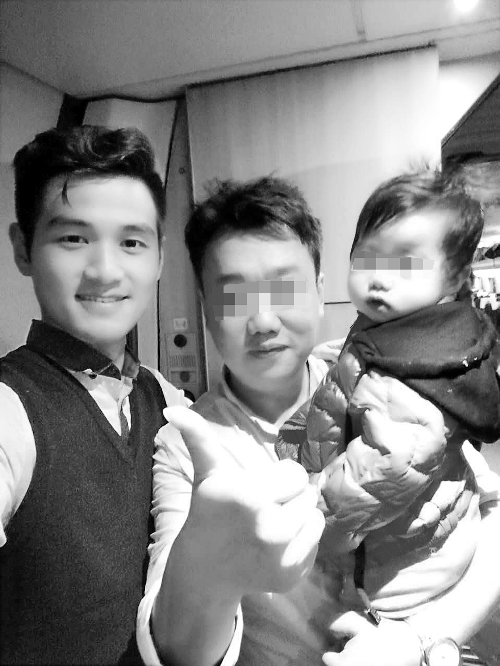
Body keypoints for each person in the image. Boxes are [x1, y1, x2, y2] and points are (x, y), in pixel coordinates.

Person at [137, 174, 500, 666]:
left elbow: (491, 512)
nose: (263, 321)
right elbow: (177, 650)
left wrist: (420, 641)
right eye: (233, 297)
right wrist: (207, 570)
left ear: (319, 290)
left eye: (284, 288)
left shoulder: (383, 377)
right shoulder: (187, 445)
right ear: (205, 309)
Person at [0, 125, 191, 664]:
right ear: (23, 248)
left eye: (132, 243)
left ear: (159, 258)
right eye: (73, 239)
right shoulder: (11, 406)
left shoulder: (165, 397)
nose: (105, 271)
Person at [301, 167, 500, 665]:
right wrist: (296, 445)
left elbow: (385, 468)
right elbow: (338, 401)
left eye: (405, 264)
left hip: (411, 566)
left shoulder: (420, 367)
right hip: (398, 535)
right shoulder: (386, 331)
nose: (379, 277)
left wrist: (310, 512)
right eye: (366, 257)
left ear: (452, 279)